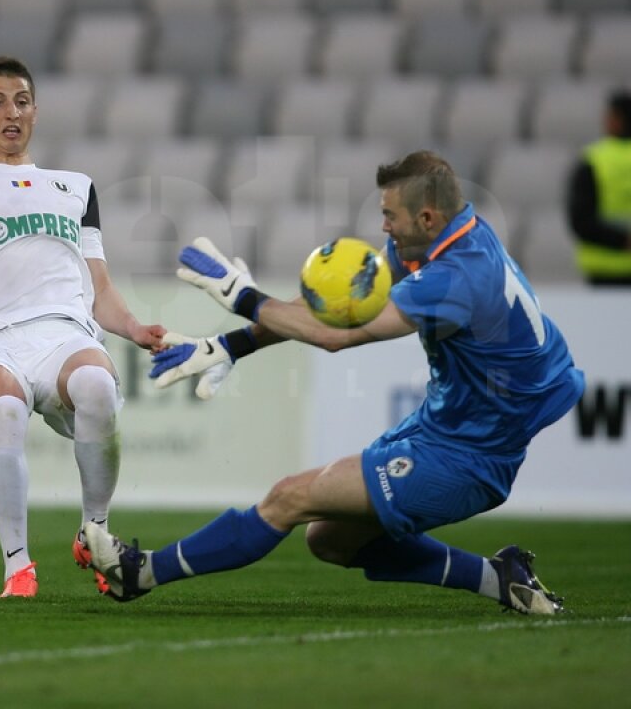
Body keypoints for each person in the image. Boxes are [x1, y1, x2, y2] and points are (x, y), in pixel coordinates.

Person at [84, 150, 584, 615]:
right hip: (445, 424)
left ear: (427, 218)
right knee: (329, 539)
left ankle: (141, 573)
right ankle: (500, 578)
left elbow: (335, 336)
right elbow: (332, 311)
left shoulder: (458, 276)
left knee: (289, 497)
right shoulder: (445, 236)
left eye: (390, 215)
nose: (383, 225)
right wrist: (230, 345)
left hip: (473, 454)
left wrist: (245, 297)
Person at [0, 56, 167, 598]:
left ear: (36, 112)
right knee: (3, 409)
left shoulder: (74, 188)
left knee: (97, 386)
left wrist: (134, 329)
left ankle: (94, 531)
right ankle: (17, 566)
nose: (11, 112)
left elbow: (99, 287)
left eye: (21, 101)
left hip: (62, 330)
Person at [567, 89, 631, 286]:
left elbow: (580, 220)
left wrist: (622, 241)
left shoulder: (593, 160)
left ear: (615, 120)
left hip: (603, 269)